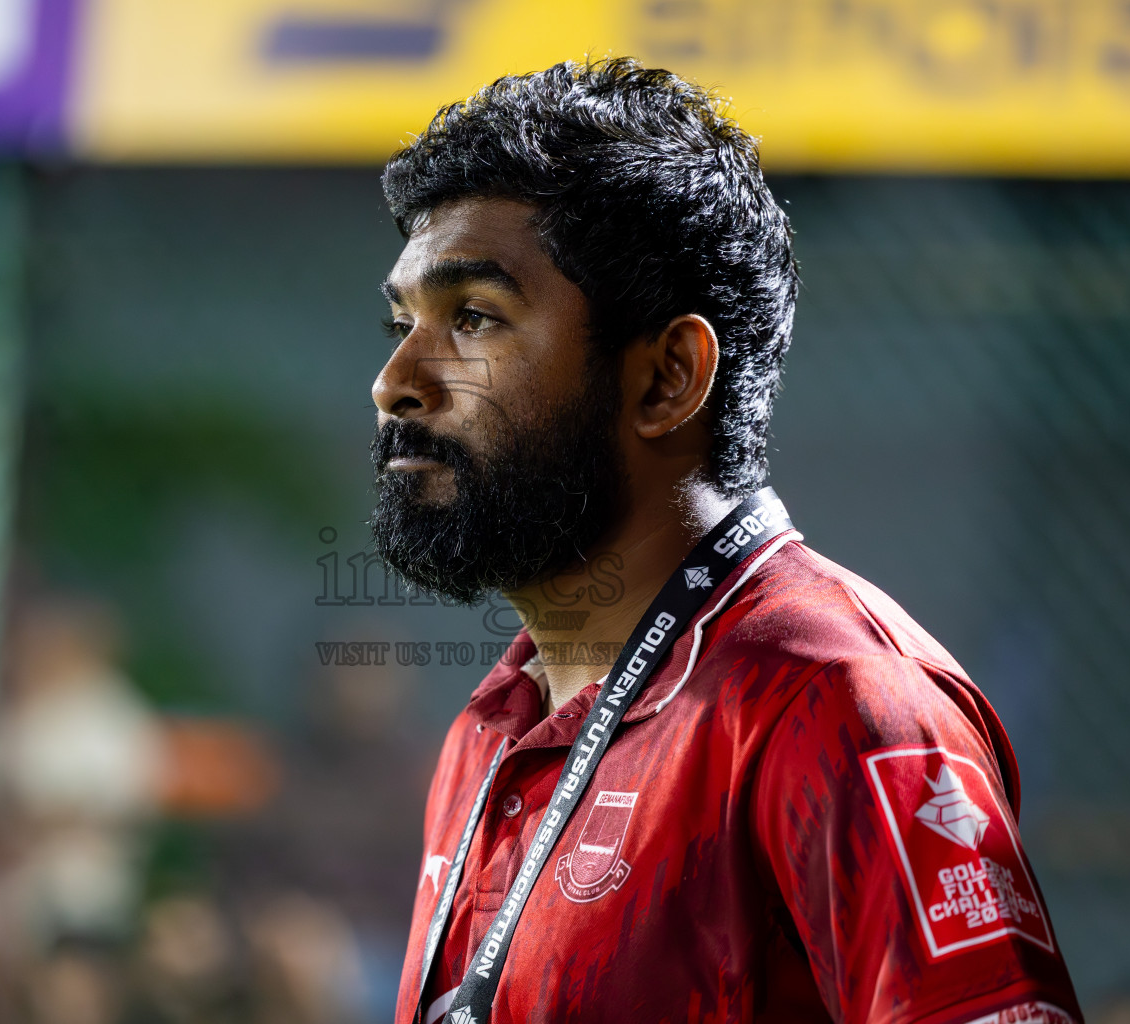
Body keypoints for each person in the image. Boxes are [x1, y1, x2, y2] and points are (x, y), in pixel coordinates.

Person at [368, 59, 1080, 1024]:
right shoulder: (490, 732)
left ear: (668, 379)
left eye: (475, 319)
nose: (396, 380)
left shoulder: (833, 701)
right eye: (402, 321)